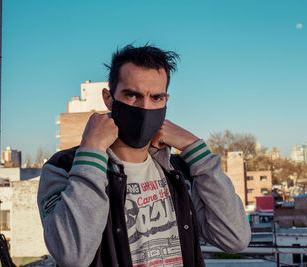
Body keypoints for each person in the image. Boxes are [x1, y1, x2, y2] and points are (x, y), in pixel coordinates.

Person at [37, 44, 251, 267]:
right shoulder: (65, 168)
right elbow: (72, 255)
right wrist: (92, 150)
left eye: (156, 98)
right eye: (132, 95)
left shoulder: (178, 173)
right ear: (109, 99)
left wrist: (195, 147)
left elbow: (235, 239)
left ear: (166, 100)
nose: (145, 107)